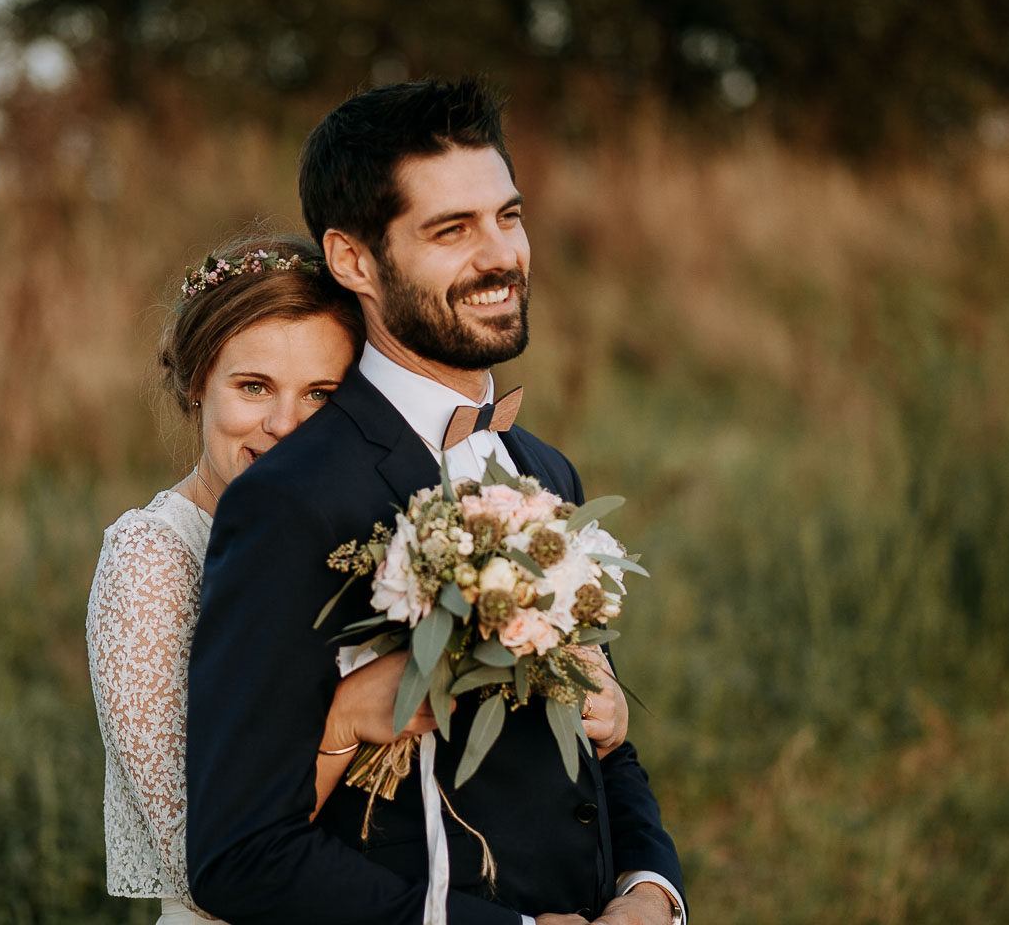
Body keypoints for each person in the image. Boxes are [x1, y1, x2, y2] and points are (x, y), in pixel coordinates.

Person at [185, 81, 684, 925]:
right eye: (451, 230)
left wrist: (650, 891)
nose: (500, 257)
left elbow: (597, 730)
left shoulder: (544, 469)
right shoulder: (293, 501)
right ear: (353, 260)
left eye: (508, 216)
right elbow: (241, 854)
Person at [87, 236, 483, 925]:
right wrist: (345, 720)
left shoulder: (375, 530)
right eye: (252, 387)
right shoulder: (152, 563)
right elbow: (201, 858)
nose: (284, 427)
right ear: (194, 385)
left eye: (321, 395)